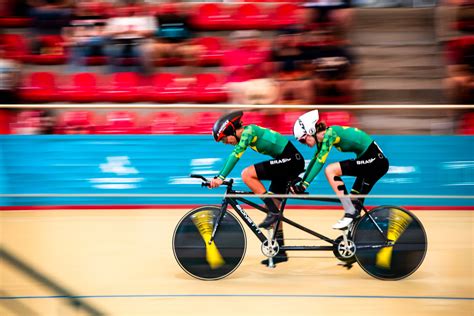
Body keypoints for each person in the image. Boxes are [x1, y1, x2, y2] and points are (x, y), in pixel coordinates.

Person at [209, 111, 305, 265]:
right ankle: (280, 251)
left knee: (247, 174)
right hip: (287, 160)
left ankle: (273, 211)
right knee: (273, 203)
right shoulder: (249, 132)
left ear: (231, 130)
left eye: (225, 139)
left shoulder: (249, 131)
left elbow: (236, 154)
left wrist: (220, 177)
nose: (226, 143)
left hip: (291, 161)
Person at [291, 109, 389, 229]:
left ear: (310, 131)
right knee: (354, 203)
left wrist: (304, 185)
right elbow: (314, 160)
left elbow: (320, 162)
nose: (303, 143)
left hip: (375, 161)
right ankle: (353, 235)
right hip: (372, 161)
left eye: (302, 139)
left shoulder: (330, 134)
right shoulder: (324, 139)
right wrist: (302, 181)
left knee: (330, 170)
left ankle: (350, 211)